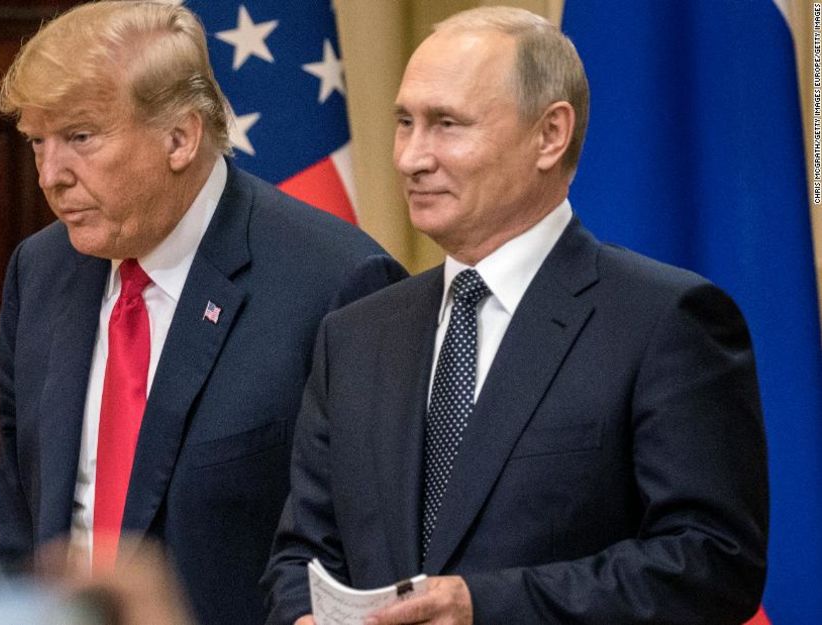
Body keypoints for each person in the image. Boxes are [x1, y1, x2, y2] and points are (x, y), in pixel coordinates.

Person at [262, 7, 768, 625]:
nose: (411, 158)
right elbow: (302, 555)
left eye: (446, 124)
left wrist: (486, 606)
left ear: (550, 135)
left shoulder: (665, 322)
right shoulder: (356, 334)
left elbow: (711, 564)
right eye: (404, 123)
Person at [0, 3, 406, 625]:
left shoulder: (338, 283)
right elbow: (21, 520)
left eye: (79, 137)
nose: (51, 176)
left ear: (180, 138)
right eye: (37, 143)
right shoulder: (40, 269)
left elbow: (368, 548)